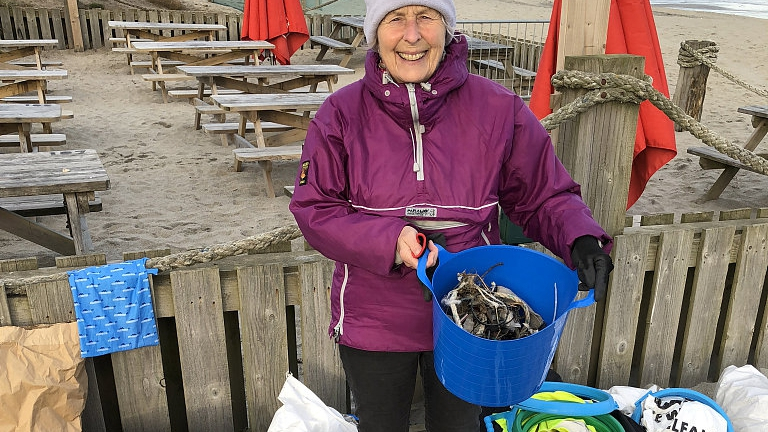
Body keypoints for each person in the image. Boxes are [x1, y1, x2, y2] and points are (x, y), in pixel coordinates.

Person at [288, 0, 614, 430]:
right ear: (374, 34)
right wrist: (390, 240)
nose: (411, 34)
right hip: (374, 316)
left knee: (458, 425)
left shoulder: (500, 109)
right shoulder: (340, 113)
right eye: (394, 19)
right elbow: (316, 209)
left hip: (474, 315)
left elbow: (543, 194)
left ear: (447, 28)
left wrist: (581, 238)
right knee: (379, 423)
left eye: (425, 16)